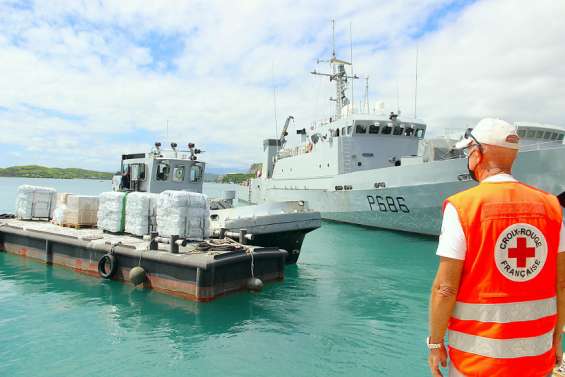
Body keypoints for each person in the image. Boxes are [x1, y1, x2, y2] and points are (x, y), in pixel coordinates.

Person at [427, 118, 565, 377]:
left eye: (469, 152)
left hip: (477, 362)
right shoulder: (551, 207)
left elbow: (445, 288)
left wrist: (435, 344)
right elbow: (562, 284)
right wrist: (557, 339)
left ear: (477, 154)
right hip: (536, 359)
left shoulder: (463, 207)